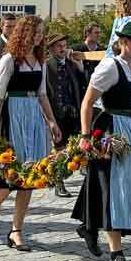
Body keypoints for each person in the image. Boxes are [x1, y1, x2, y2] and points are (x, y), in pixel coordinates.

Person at [72, 22, 131, 261]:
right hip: (111, 130)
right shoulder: (110, 66)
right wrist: (85, 136)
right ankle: (116, 252)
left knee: (129, 181)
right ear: (124, 42)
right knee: (113, 186)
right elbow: (87, 102)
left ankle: (89, 225)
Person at [0, 16, 61, 247]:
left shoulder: (40, 62)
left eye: (41, 33)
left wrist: (52, 122)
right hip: (12, 115)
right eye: (35, 32)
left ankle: (16, 230)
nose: (38, 37)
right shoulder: (9, 60)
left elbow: (42, 95)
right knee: (11, 175)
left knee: (29, 177)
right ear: (23, 33)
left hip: (33, 117)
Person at [45, 33, 86, 197]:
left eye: (64, 45)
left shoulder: (71, 64)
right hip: (56, 113)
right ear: (51, 49)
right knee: (59, 148)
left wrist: (80, 67)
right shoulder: (46, 66)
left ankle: (58, 175)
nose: (63, 49)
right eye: (59, 46)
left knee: (73, 148)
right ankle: (58, 182)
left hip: (73, 113)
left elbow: (83, 85)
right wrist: (48, 118)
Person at [71, 22, 105, 86]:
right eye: (96, 33)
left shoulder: (103, 51)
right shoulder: (75, 49)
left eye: (99, 33)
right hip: (80, 87)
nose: (99, 35)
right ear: (88, 33)